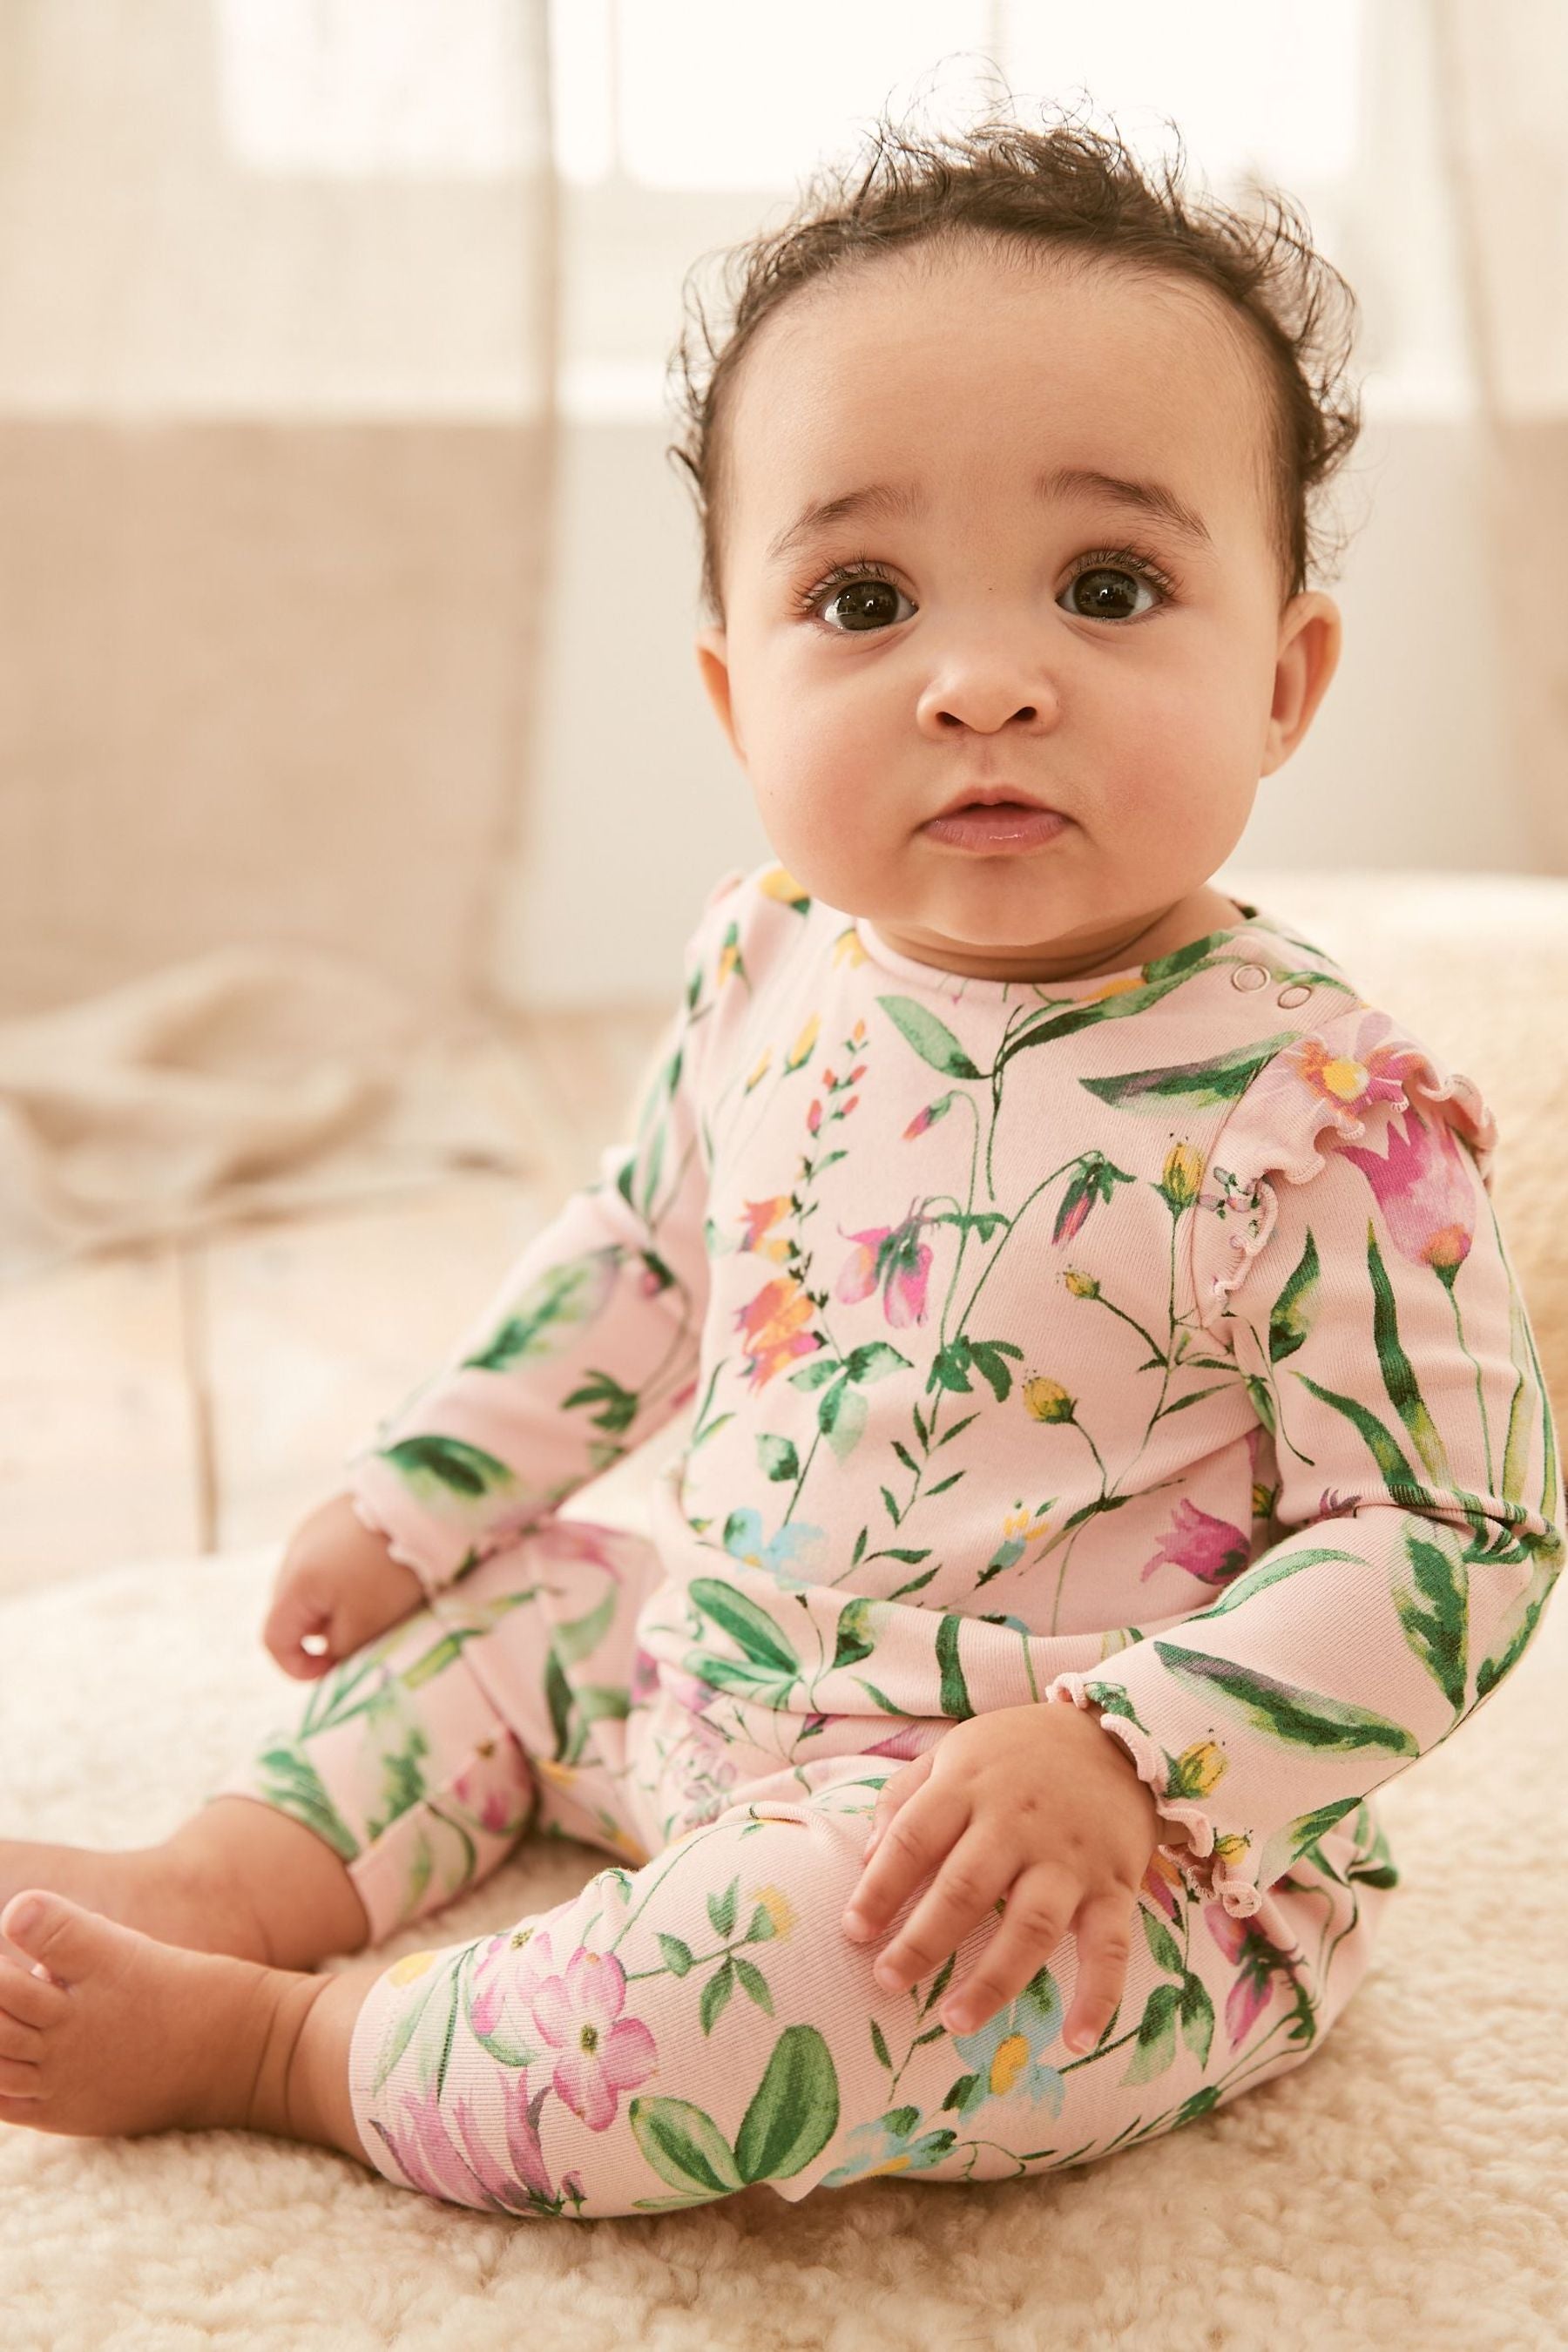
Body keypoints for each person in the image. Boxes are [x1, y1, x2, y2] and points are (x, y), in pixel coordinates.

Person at [1, 98, 1561, 2217]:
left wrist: (1131, 1752)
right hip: (719, 1687)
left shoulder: (1333, 1119)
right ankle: (229, 1881)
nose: (987, 680)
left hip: (1090, 1856)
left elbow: (1450, 1540)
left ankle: (293, 2045)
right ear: (739, 693)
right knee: (526, 1609)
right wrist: (431, 1482)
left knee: (778, 2001)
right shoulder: (770, 966)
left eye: (1108, 587)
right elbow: (639, 1255)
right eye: (864, 593)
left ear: (1282, 679)